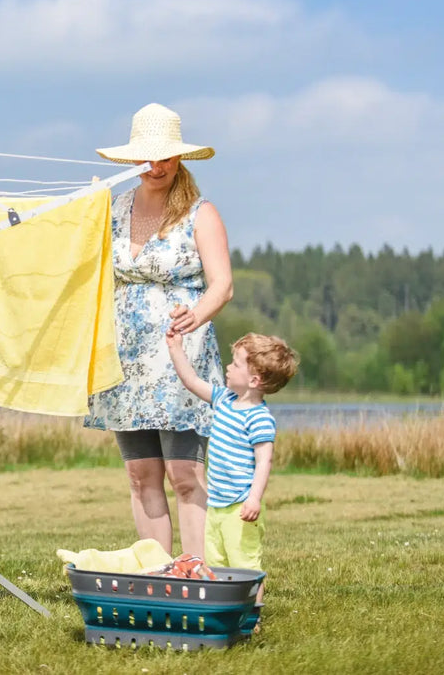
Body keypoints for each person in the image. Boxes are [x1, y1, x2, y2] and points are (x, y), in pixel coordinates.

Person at [85, 103, 234, 558]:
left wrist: (198, 315)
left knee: (184, 473)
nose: (157, 166)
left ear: (179, 159)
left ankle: (197, 572)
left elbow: (222, 284)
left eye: (166, 157)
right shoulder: (113, 209)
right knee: (141, 475)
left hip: (178, 358)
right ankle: (157, 573)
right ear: (134, 160)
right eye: (148, 157)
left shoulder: (198, 212)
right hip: (125, 360)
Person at [165, 330, 299, 608]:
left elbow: (264, 462)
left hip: (240, 509)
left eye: (235, 363)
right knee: (217, 563)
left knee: (245, 566)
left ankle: (251, 615)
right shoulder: (224, 400)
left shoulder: (260, 419)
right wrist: (176, 348)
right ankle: (223, 609)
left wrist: (254, 498)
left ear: (254, 380)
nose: (228, 367)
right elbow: (191, 381)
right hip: (216, 505)